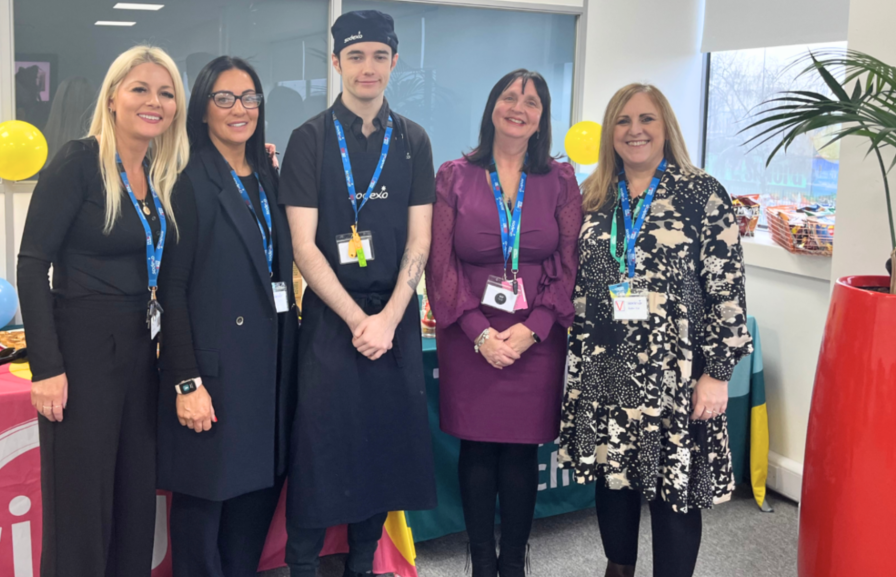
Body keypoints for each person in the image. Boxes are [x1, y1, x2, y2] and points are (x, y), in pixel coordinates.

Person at [557, 83, 753, 577]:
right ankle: (617, 568)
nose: (634, 130)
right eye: (622, 121)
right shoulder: (594, 195)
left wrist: (718, 373)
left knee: (676, 488)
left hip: (676, 373)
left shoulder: (702, 193)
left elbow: (727, 292)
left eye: (646, 119)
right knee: (613, 479)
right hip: (606, 365)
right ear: (610, 133)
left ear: (666, 126)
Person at [17, 45, 189, 577]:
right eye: (140, 88)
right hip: (83, 349)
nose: (153, 101)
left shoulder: (158, 175)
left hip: (141, 349)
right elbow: (31, 265)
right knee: (81, 508)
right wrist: (46, 366)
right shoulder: (78, 161)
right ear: (113, 96)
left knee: (134, 498)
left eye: (165, 92)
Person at [278, 10, 437, 577]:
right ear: (337, 62)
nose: (367, 68)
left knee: (383, 452)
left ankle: (363, 566)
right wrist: (355, 319)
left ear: (394, 62)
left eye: (378, 57)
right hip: (330, 321)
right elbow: (303, 246)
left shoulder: (415, 140)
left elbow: (419, 241)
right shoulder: (309, 140)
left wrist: (391, 319)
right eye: (355, 56)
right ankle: (301, 565)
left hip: (394, 318)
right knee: (320, 452)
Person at [426, 69, 582, 577]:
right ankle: (480, 562)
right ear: (493, 106)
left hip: (536, 336)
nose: (520, 107)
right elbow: (441, 263)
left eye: (532, 101)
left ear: (542, 117)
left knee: (521, 451)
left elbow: (570, 260)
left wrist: (533, 327)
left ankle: (513, 560)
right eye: (510, 97)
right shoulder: (454, 174)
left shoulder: (559, 179)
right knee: (476, 447)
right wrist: (479, 333)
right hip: (470, 332)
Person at [156, 55, 299, 577]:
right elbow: (170, 290)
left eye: (249, 98)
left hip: (270, 366)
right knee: (205, 503)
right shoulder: (186, 180)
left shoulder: (266, 175)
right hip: (214, 372)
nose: (239, 109)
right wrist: (186, 382)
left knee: (256, 494)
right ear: (202, 109)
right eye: (224, 98)